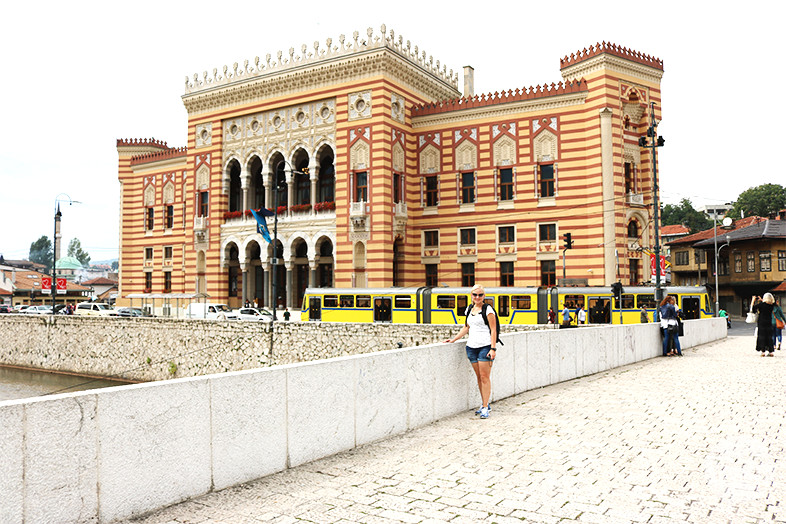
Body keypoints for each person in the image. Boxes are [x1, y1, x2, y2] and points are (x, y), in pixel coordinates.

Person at [445, 284, 497, 419]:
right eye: (475, 295)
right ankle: (484, 403)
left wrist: (493, 348)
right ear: (471, 296)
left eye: (480, 295)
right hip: (471, 347)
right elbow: (466, 327)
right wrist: (454, 339)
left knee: (485, 377)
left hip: (485, 347)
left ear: (484, 296)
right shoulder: (469, 309)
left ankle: (485, 407)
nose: (477, 297)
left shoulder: (488, 310)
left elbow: (493, 329)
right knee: (479, 377)